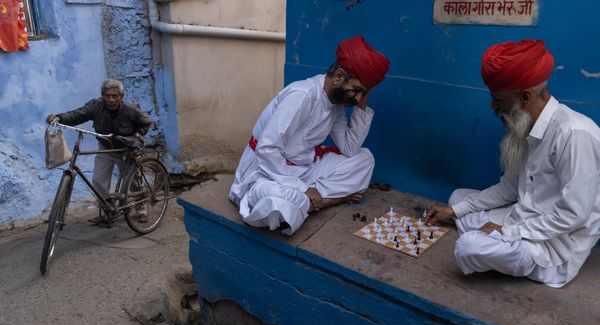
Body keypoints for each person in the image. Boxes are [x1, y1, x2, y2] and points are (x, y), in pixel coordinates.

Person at [426, 39, 600, 288]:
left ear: (525, 97)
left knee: (467, 246)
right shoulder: (526, 128)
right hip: (521, 219)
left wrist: (507, 232)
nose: (493, 106)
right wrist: (454, 212)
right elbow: (508, 189)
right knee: (457, 198)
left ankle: (490, 244)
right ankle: (487, 238)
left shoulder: (575, 133)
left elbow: (574, 215)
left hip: (551, 247)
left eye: (498, 99)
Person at [229, 36, 390, 235]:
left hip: (304, 170)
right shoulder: (302, 95)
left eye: (362, 93)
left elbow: (350, 149)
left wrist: (361, 106)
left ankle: (308, 202)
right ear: (339, 76)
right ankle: (325, 200)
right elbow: (266, 149)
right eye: (356, 90)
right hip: (266, 171)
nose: (356, 97)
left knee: (364, 159)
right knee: (275, 203)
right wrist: (301, 187)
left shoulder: (336, 105)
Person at [46, 79, 153, 225]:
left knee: (131, 181)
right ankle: (109, 210)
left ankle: (141, 211)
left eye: (114, 96)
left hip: (126, 149)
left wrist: (139, 133)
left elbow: (146, 122)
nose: (110, 99)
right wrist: (59, 118)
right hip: (106, 147)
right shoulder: (95, 106)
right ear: (102, 96)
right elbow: (78, 114)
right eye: (107, 95)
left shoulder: (130, 110)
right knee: (98, 180)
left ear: (121, 97)